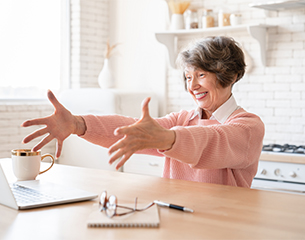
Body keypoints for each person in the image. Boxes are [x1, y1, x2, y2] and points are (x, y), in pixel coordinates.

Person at [22, 36, 265, 188]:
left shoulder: (248, 127)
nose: (192, 87)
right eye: (188, 77)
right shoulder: (183, 119)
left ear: (231, 75)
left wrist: (168, 138)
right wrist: (78, 124)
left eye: (201, 75)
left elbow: (212, 141)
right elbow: (130, 127)